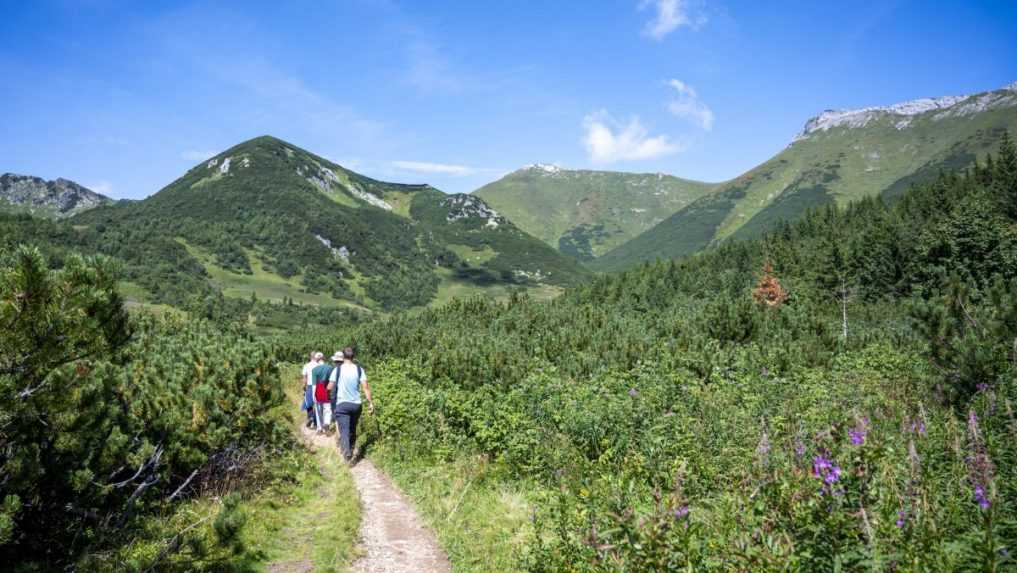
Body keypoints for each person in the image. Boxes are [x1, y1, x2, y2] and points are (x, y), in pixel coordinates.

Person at [327, 346, 374, 463]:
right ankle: (351, 449)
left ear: (343, 357)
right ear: (353, 357)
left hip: (342, 404)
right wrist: (370, 403)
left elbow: (330, 387)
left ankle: (347, 451)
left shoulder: (337, 370)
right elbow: (366, 387)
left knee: (344, 429)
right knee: (352, 428)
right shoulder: (359, 370)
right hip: (356, 405)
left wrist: (328, 392)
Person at [311, 356, 335, 433]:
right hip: (327, 389)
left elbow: (314, 384)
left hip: (318, 390)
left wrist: (313, 396)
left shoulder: (314, 370)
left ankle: (319, 428)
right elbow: (333, 381)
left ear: (317, 361)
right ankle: (327, 424)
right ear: (324, 360)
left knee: (318, 410)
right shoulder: (330, 368)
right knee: (327, 409)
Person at [300, 352, 323, 428]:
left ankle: (310, 417)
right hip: (319, 385)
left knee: (308, 403)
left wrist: (304, 387)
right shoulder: (319, 365)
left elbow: (304, 378)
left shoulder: (306, 365)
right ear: (316, 357)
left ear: (310, 357)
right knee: (317, 404)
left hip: (310, 386)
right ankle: (316, 422)